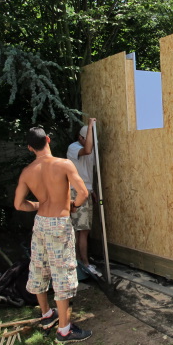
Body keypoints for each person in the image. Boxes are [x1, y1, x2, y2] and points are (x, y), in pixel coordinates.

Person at [14, 127, 93, 343]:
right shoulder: (63, 164)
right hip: (59, 223)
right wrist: (73, 206)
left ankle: (47, 314)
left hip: (40, 222)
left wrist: (40, 204)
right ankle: (65, 330)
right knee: (62, 272)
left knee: (39, 266)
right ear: (48, 140)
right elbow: (83, 192)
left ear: (30, 148)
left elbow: (18, 204)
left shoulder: (27, 172)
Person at [67, 118, 101, 277]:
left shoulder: (91, 149)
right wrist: (90, 127)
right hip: (76, 192)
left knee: (84, 229)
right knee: (79, 230)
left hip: (85, 191)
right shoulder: (73, 148)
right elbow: (86, 150)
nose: (91, 143)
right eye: (87, 139)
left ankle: (81, 262)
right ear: (80, 138)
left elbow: (88, 172)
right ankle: (83, 264)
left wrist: (91, 188)